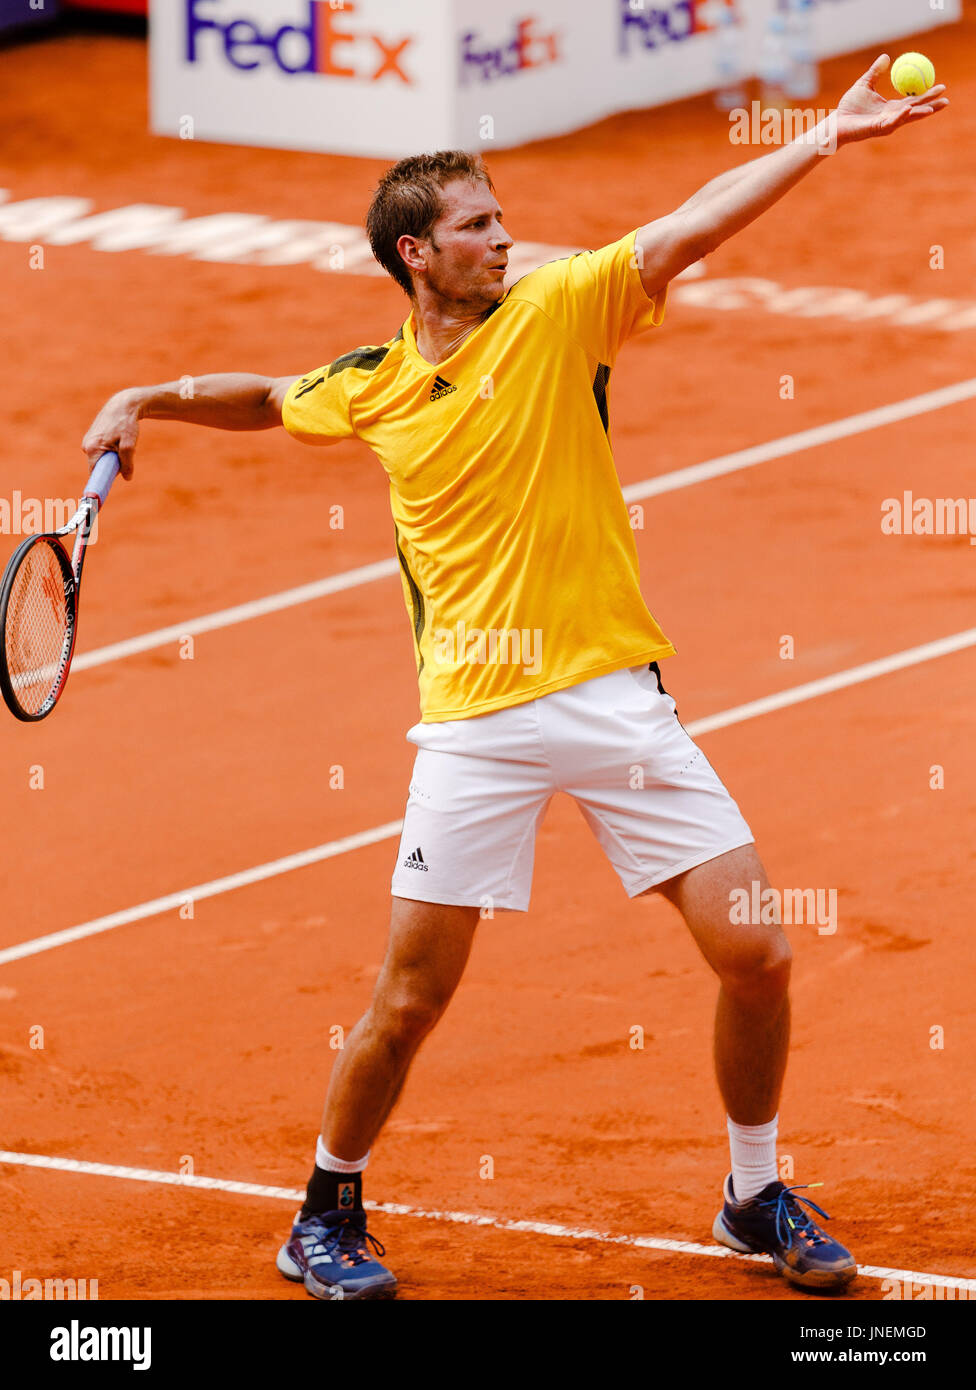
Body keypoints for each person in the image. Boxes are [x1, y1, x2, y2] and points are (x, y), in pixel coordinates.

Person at [83, 56, 947, 1300]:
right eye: (478, 225)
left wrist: (822, 140)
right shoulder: (374, 388)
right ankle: (325, 1208)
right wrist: (141, 397)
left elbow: (686, 229)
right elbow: (272, 398)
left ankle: (752, 1194)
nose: (505, 238)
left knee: (756, 951)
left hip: (613, 698)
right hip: (475, 727)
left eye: (501, 217)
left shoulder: (560, 312)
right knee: (411, 997)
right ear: (415, 259)